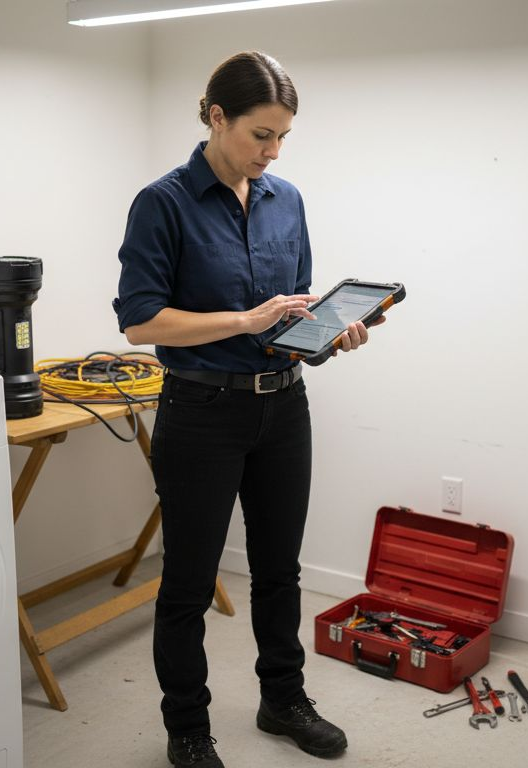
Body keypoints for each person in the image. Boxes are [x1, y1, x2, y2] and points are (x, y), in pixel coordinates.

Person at [112, 51, 380, 768]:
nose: (273, 151)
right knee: (189, 584)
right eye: (261, 134)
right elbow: (141, 322)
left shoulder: (284, 198)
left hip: (282, 409)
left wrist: (328, 332)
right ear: (217, 116)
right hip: (200, 412)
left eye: (284, 136)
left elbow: (292, 311)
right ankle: (188, 729)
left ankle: (282, 700)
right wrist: (239, 320)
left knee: (279, 570)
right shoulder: (163, 202)